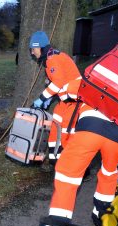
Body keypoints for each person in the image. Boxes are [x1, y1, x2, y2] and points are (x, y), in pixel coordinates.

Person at [30, 34, 118, 226]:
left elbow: (76, 84)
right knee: (109, 174)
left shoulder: (111, 58)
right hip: (117, 135)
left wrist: (45, 97)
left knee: (66, 178)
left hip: (91, 125)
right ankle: (103, 219)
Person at [30, 31, 82, 168]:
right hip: (64, 103)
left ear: (40, 47)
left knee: (67, 134)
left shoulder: (52, 59)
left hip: (73, 103)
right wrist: (50, 97)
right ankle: (56, 162)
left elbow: (58, 82)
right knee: (54, 130)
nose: (32, 53)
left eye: (33, 49)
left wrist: (42, 98)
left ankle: (78, 169)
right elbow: (60, 82)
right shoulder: (51, 59)